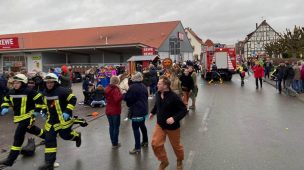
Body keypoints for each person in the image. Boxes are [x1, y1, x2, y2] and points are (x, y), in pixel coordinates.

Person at [0, 74, 45, 168]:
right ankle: (48, 137)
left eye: (17, 82)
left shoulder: (29, 91)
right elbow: (6, 99)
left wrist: (37, 111)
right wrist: (4, 107)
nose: (15, 84)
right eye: (14, 82)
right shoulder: (11, 92)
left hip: (28, 116)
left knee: (18, 136)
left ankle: (10, 160)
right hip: (19, 118)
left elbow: (40, 100)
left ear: (23, 83)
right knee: (32, 130)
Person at [38, 73, 82, 170]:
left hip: (63, 120)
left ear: (55, 82)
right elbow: (44, 104)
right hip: (51, 121)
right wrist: (44, 111)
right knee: (49, 141)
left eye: (51, 82)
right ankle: (49, 163)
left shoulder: (63, 91)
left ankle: (77, 136)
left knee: (65, 136)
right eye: (47, 82)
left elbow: (73, 99)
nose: (49, 84)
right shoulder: (44, 92)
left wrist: (67, 111)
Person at [150, 76, 187, 170]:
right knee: (155, 144)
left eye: (159, 83)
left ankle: (179, 160)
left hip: (173, 127)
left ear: (165, 86)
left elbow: (183, 110)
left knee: (176, 146)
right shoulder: (158, 93)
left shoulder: (174, 97)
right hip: (160, 125)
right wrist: (152, 112)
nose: (157, 85)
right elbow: (157, 105)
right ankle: (164, 161)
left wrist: (174, 118)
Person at [124, 72, 149, 154]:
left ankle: (137, 148)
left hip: (137, 111)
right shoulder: (144, 86)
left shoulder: (132, 87)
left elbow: (128, 98)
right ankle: (145, 141)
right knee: (142, 125)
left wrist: (124, 95)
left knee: (135, 128)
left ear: (134, 79)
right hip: (144, 109)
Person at [104, 76, 123, 149]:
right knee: (116, 127)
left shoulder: (107, 88)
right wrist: (122, 95)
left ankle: (113, 142)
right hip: (115, 110)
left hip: (108, 110)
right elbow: (117, 99)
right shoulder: (115, 89)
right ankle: (115, 143)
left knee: (111, 127)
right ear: (116, 82)